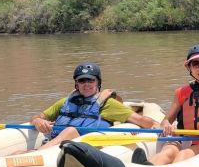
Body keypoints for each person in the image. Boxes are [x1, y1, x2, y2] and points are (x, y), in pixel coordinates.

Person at [30, 62, 158, 150]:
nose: (86, 84)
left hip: (84, 148)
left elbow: (140, 120)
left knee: (71, 130)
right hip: (54, 145)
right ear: (76, 84)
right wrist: (38, 120)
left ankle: (36, 153)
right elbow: (39, 115)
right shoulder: (65, 102)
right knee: (17, 154)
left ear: (98, 83)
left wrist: (158, 126)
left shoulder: (109, 104)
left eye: (90, 80)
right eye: (82, 80)